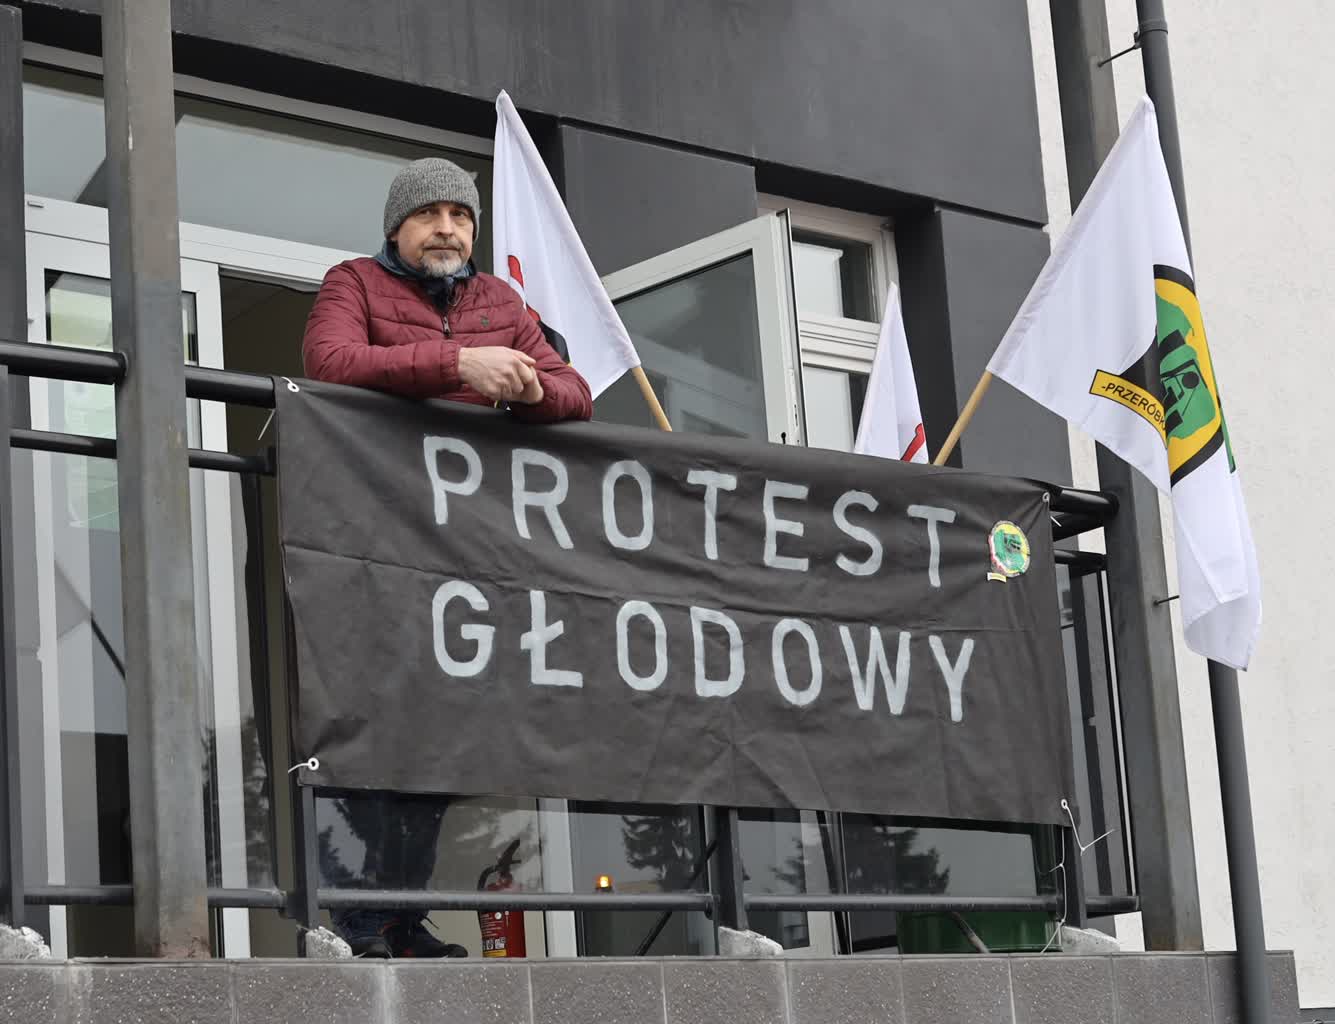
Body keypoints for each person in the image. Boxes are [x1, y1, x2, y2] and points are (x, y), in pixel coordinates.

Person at [302, 157, 593, 958]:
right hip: (374, 539)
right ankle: (360, 917)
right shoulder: (352, 283)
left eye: (460, 216)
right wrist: (457, 366)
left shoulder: (502, 301)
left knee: (439, 734)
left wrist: (528, 388)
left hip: (470, 550)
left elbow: (577, 393)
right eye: (430, 214)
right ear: (397, 226)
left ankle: (403, 913)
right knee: (373, 723)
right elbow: (328, 363)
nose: (447, 229)